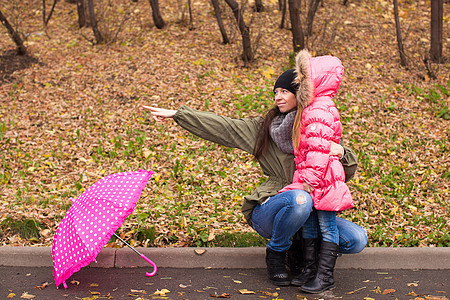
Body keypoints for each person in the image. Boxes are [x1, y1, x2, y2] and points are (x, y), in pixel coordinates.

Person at [141, 60, 367, 287]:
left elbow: (342, 173)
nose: (278, 97)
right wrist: (179, 115)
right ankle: (277, 253)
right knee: (300, 199)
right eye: (275, 92)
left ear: (301, 93)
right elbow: (224, 127)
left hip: (314, 208)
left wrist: (341, 151)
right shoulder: (265, 128)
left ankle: (305, 256)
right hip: (274, 208)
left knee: (357, 239)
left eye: (285, 91)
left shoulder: (317, 125)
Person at [277, 50, 354, 293]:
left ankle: (325, 277)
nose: (299, 84)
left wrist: (308, 179)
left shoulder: (319, 108)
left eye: (304, 78)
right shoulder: (313, 106)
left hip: (323, 178)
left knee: (326, 226)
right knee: (310, 224)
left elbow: (320, 147)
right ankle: (310, 271)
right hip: (311, 175)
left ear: (317, 81)